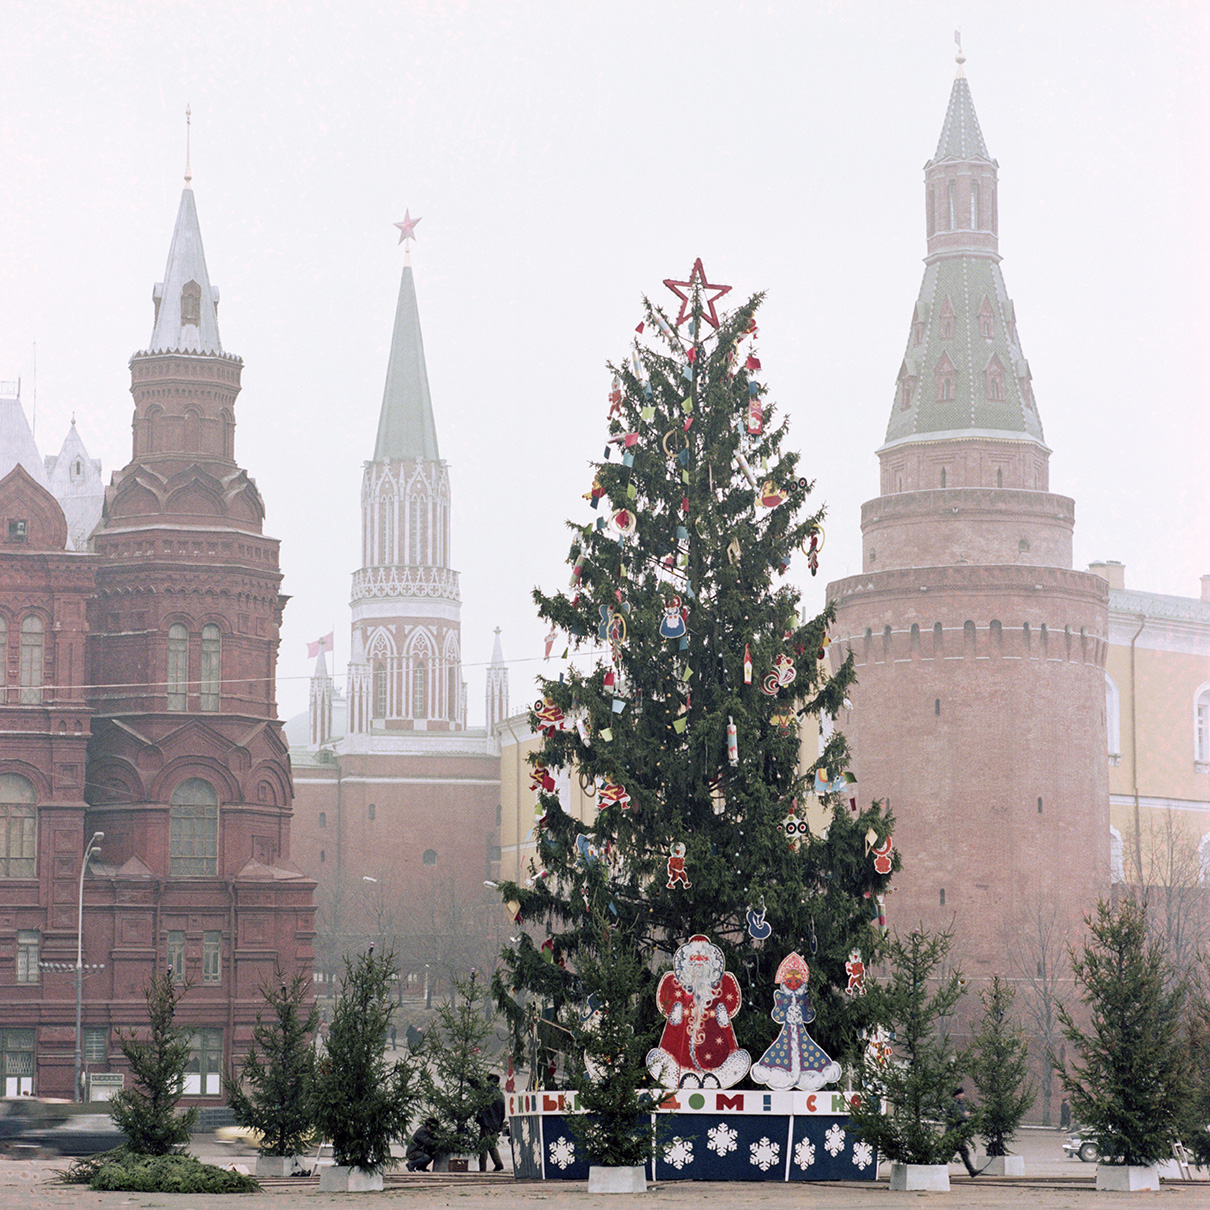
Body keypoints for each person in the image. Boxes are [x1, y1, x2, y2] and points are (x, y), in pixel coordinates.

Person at [947, 1087, 979, 1177]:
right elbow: (960, 1116)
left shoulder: (958, 1104)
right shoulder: (955, 1104)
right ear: (957, 1094)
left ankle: (940, 1168)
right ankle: (971, 1171)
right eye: (961, 1093)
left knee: (951, 1152)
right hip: (954, 1132)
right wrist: (966, 1115)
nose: (963, 1095)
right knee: (961, 1151)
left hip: (956, 1132)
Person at [477, 1073, 506, 1172]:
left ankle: (482, 1168)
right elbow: (503, 1113)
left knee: (483, 1145)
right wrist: (499, 1126)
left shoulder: (487, 1092)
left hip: (486, 1122)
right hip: (495, 1124)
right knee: (491, 1144)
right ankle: (498, 1164)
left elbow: (476, 1086)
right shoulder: (500, 1095)